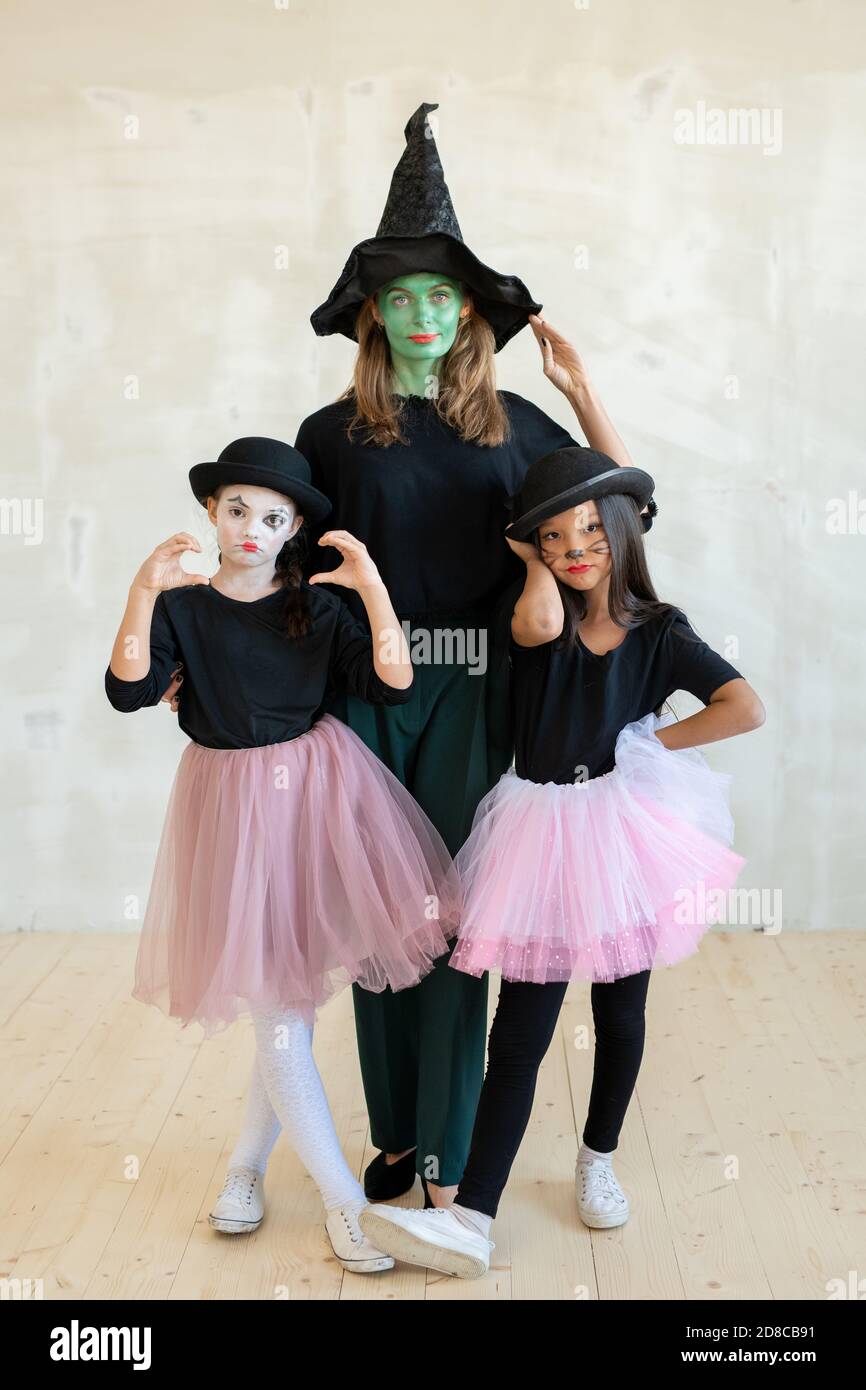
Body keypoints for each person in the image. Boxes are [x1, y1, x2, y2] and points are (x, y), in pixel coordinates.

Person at [293, 99, 639, 1209]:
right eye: (401, 297)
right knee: (374, 918)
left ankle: (446, 1158)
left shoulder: (516, 426)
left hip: (480, 688)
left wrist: (583, 391)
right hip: (365, 689)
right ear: (375, 316)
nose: (423, 311)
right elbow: (288, 570)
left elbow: (615, 515)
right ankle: (393, 1141)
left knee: (450, 921)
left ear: (466, 311)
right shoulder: (327, 434)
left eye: (441, 293)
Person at [359, 446, 766, 1278]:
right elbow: (539, 620)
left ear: (623, 529)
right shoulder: (541, 624)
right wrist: (527, 554)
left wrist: (647, 741)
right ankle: (473, 1216)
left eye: (590, 529)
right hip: (538, 833)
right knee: (520, 1037)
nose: (575, 546)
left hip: (621, 834)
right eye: (554, 536)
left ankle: (598, 1156)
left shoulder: (661, 633)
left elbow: (743, 706)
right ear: (534, 550)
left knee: (620, 1013)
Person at [103, 436, 461, 1274]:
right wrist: (140, 590)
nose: (252, 528)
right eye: (236, 510)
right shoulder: (186, 606)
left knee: (282, 1005)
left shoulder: (316, 606)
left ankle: (245, 1170)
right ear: (211, 513)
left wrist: (372, 591)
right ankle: (344, 1203)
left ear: (294, 524)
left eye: (272, 517)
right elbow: (126, 690)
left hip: (312, 798)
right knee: (278, 1009)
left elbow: (394, 683)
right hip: (227, 804)